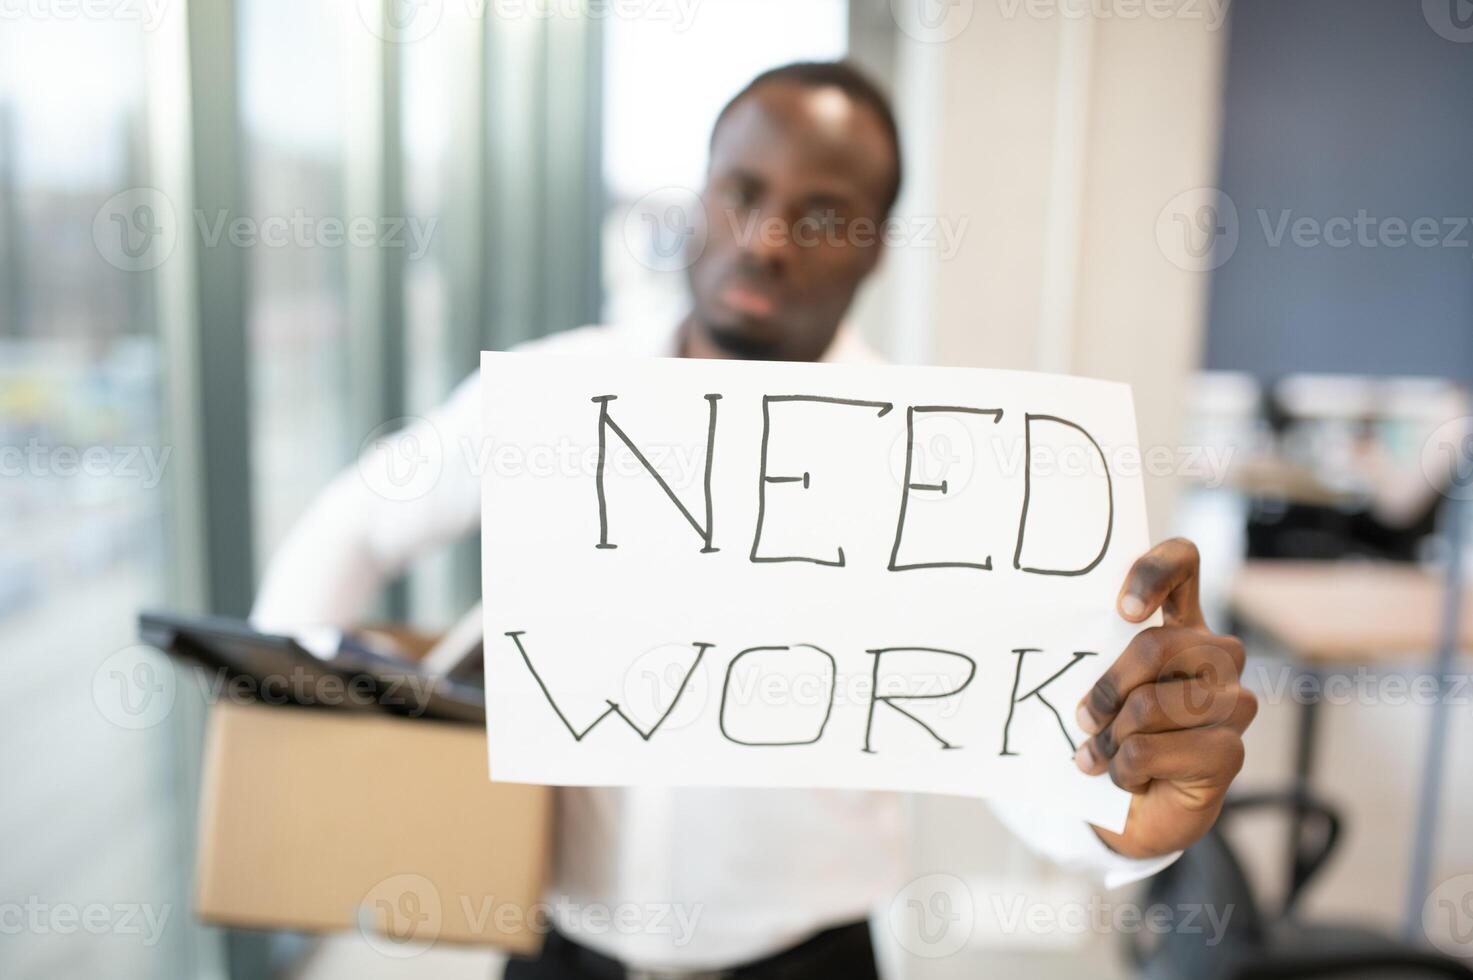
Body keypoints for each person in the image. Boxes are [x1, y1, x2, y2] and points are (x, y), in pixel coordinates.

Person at [253, 61, 1255, 979]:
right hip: (560, 944)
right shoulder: (562, 394)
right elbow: (360, 522)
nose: (768, 238)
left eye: (823, 215)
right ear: (701, 197)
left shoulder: (943, 464)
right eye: (743, 192)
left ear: (874, 246)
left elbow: (1030, 749)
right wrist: (305, 724)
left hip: (804, 958)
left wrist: (1132, 818)